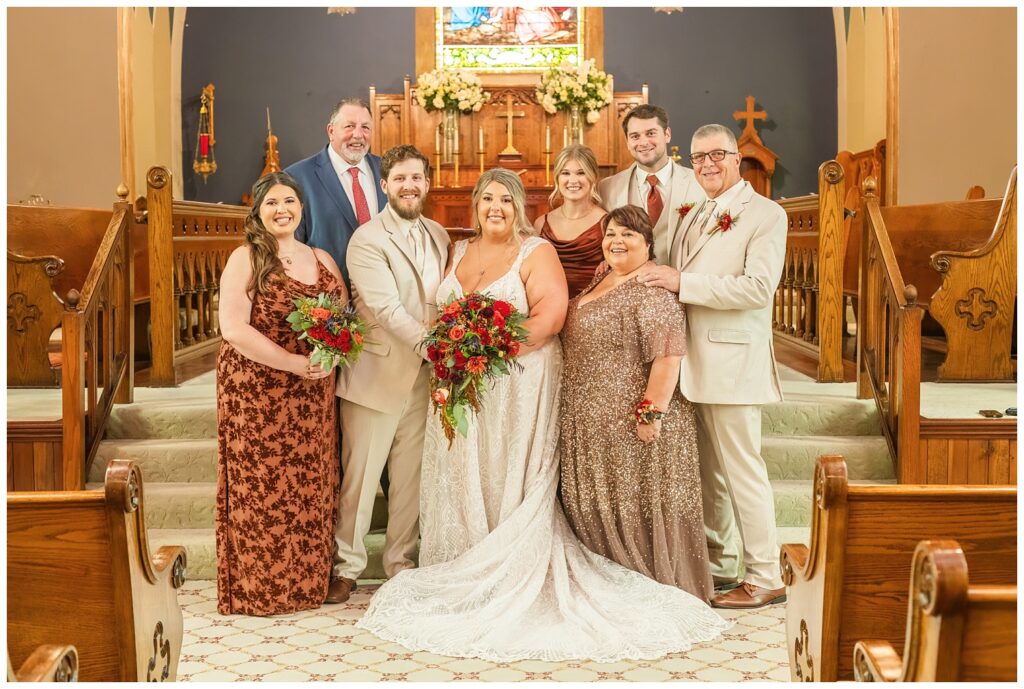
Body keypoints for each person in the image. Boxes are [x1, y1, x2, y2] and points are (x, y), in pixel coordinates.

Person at [356, 169, 728, 662]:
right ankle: (464, 557)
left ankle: (513, 563)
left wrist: (484, 353)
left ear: (520, 208)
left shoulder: (538, 251)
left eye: (506, 200)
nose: (496, 208)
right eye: (487, 199)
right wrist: (456, 354)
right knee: (467, 473)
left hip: (519, 383)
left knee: (509, 472)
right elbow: (444, 315)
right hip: (463, 387)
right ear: (475, 204)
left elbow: (551, 319)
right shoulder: (457, 250)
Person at [638, 123, 787, 609]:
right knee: (711, 476)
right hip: (693, 363)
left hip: (732, 360)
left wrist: (684, 282)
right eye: (699, 157)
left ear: (736, 158)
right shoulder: (694, 212)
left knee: (743, 471)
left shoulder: (764, 214)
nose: (707, 164)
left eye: (717, 155)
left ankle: (765, 576)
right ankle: (721, 566)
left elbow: (757, 289)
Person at [559, 204, 713, 602]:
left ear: (648, 245)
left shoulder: (650, 289)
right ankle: (605, 582)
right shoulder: (600, 277)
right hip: (590, 416)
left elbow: (668, 356)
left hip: (633, 421)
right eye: (611, 233)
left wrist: (650, 412)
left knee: (630, 506)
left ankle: (641, 583)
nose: (617, 241)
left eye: (628, 234)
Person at [215, 171, 345, 616]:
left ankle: (306, 583)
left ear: (301, 209)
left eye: (289, 201)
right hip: (258, 392)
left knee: (309, 485)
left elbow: (342, 321)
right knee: (262, 488)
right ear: (258, 212)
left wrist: (331, 355)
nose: (281, 209)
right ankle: (262, 588)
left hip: (312, 397)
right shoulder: (246, 258)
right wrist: (292, 363)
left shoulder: (322, 258)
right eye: (271, 203)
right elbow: (231, 327)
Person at [325, 145, 451, 605]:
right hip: (377, 371)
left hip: (425, 378)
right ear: (384, 185)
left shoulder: (438, 234)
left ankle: (401, 565)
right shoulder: (367, 238)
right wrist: (435, 348)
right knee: (361, 477)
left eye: (416, 177)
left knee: (410, 476)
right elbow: (384, 307)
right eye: (399, 178)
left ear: (427, 183)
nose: (409, 185)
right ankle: (347, 567)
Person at [285, 98, 386, 292]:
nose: (358, 135)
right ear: (331, 131)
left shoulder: (388, 171)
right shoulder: (297, 177)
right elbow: (291, 246)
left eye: (365, 127)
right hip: (328, 300)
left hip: (384, 295)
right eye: (349, 126)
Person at [598, 104, 705, 266]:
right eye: (635, 136)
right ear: (627, 141)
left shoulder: (699, 184)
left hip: (685, 284)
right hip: (630, 285)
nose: (643, 142)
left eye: (650, 133)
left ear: (667, 134)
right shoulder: (607, 189)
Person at [532, 143, 606, 298]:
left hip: (591, 308)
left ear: (592, 176)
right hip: (548, 307)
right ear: (557, 177)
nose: (573, 180)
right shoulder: (540, 224)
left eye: (581, 173)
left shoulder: (606, 222)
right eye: (565, 173)